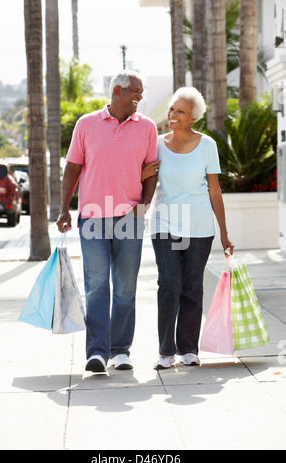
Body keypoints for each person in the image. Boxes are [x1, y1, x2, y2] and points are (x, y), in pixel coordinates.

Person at [56, 70, 158, 373]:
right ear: (117, 91)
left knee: (125, 288)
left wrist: (142, 209)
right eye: (135, 91)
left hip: (130, 217)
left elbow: (151, 171)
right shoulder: (86, 124)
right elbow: (73, 168)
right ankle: (97, 352)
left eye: (142, 92)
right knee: (97, 286)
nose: (140, 97)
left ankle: (121, 350)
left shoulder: (147, 128)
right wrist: (64, 209)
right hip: (92, 218)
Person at [143, 87, 234, 370]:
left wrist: (224, 231)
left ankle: (188, 348)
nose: (172, 114)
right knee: (169, 283)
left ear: (193, 117)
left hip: (199, 225)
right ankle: (165, 350)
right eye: (172, 109)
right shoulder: (156, 144)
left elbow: (215, 191)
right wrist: (140, 174)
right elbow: (143, 182)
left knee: (192, 287)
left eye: (180, 111)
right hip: (164, 223)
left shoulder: (207, 145)